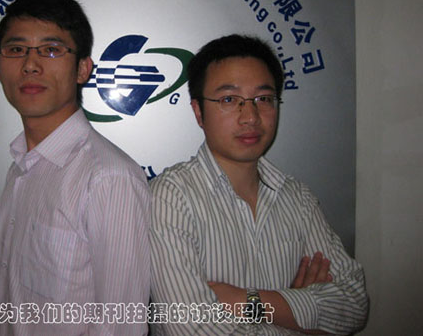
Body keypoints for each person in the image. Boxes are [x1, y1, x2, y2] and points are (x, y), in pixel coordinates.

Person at [150, 35, 368, 335]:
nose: (250, 117)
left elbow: (354, 304)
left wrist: (250, 302)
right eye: (229, 100)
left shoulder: (297, 197)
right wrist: (297, 318)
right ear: (199, 112)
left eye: (263, 99)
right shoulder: (172, 197)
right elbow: (191, 327)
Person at [0, 0, 150, 335]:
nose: (30, 65)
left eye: (51, 49)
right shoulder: (21, 166)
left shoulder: (108, 178)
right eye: (16, 49)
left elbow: (121, 327)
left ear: (82, 69)